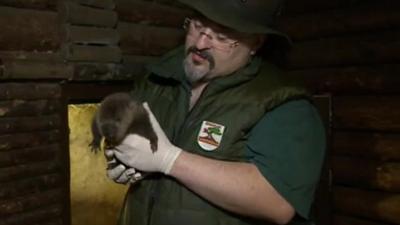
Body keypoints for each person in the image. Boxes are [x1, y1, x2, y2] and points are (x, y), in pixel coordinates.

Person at [105, 0, 326, 224]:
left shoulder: (282, 103)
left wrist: (168, 159)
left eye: (222, 37)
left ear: (255, 43)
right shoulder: (159, 75)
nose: (200, 43)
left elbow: (278, 202)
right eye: (197, 26)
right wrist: (121, 155)